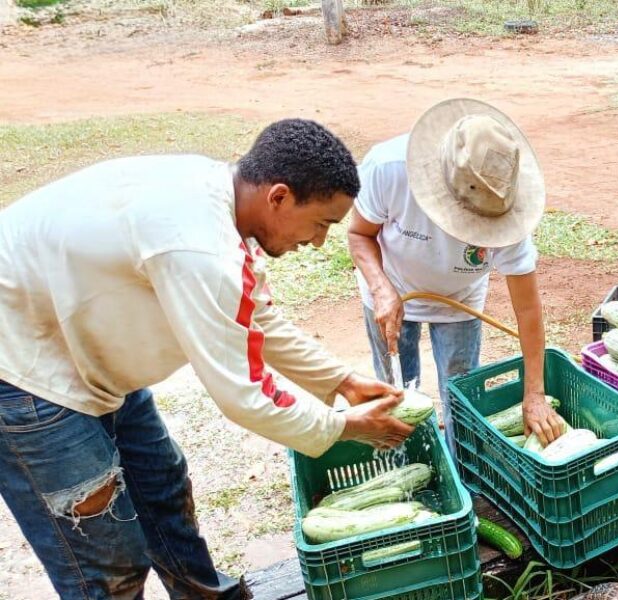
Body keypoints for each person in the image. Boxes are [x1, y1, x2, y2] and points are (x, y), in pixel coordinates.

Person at [0, 119, 415, 599]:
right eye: (321, 223)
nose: (320, 241)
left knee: (162, 489)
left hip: (84, 354)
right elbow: (244, 393)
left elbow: (254, 317)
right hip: (24, 372)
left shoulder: (222, 203)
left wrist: (342, 381)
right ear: (278, 197)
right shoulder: (200, 246)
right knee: (107, 559)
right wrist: (344, 426)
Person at [348, 98, 565, 447]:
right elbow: (359, 234)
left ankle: (460, 471)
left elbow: (527, 310)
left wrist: (535, 394)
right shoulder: (388, 168)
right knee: (395, 395)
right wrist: (380, 288)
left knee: (461, 395)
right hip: (391, 291)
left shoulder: (509, 210)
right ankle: (407, 459)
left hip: (460, 300)